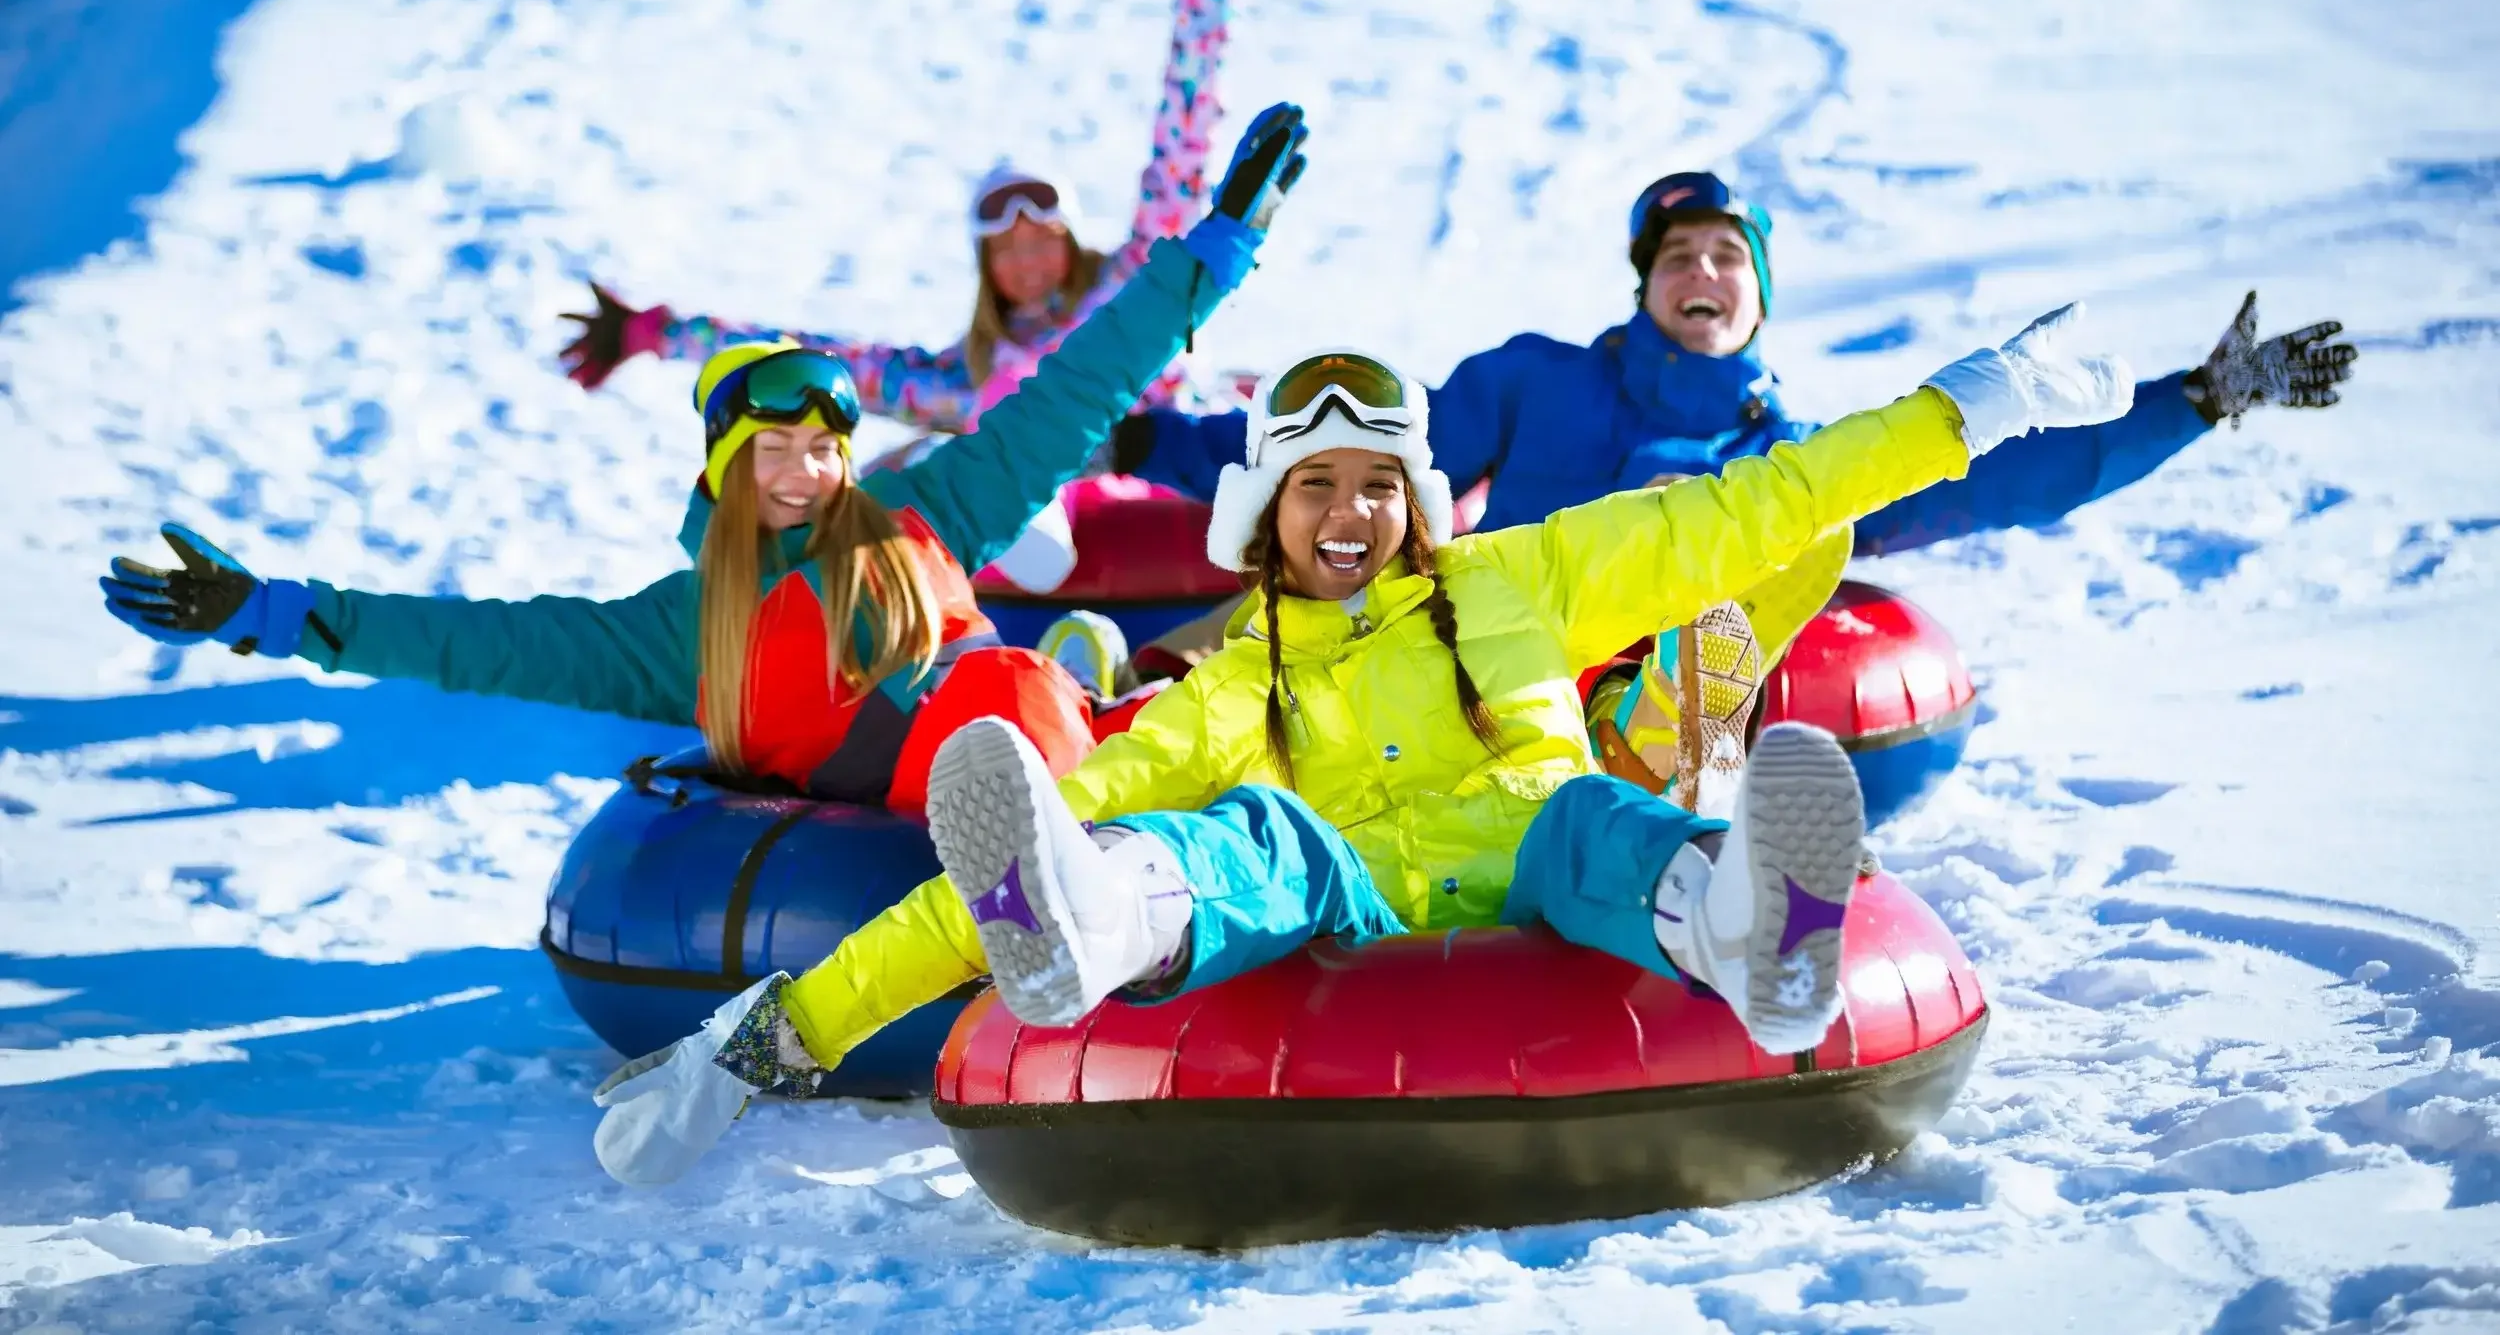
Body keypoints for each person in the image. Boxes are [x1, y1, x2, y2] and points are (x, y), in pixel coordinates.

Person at [588, 307, 2133, 1187]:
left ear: (1415, 496)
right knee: (1215, 844)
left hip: (1534, 843)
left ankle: (1753, 931)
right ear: (1268, 515)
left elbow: (1763, 503)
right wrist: (770, 1032)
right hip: (1342, 887)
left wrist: (1967, 403)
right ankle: (1087, 930)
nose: (1351, 515)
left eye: (1377, 483)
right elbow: (1033, 823)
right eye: (1315, 487)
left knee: (1603, 822)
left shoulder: (1522, 575)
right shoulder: (1233, 681)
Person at [97, 106, 1314, 807]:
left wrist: (1210, 253)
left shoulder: (925, 511)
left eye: (821, 447)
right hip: (924, 805)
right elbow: (483, 638)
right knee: (1001, 703)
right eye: (770, 450)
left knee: (1036, 692)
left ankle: (1105, 715)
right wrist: (282, 614)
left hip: (1035, 745)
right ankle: (1054, 766)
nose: (802, 471)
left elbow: (1074, 391)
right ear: (725, 471)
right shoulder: (687, 627)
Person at [1116, 171, 2358, 546]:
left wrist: (2192, 401)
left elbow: (2002, 477)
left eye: (1727, 257)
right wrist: (1140, 438)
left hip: (1659, 687)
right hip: (1507, 639)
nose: (1701, 274)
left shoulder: (1779, 458)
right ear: (1644, 282)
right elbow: (1364, 452)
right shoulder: (1537, 378)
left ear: (1758, 297)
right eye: (1678, 257)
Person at [555, 0, 1265, 434]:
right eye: (1007, 250)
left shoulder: (1135, 284)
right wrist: (658, 332)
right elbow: (821, 360)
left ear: (1070, 239)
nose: (1027, 260)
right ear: (986, 270)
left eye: (1040, 238)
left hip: (1173, 483)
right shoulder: (967, 383)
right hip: (1065, 546)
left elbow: (1181, 151)